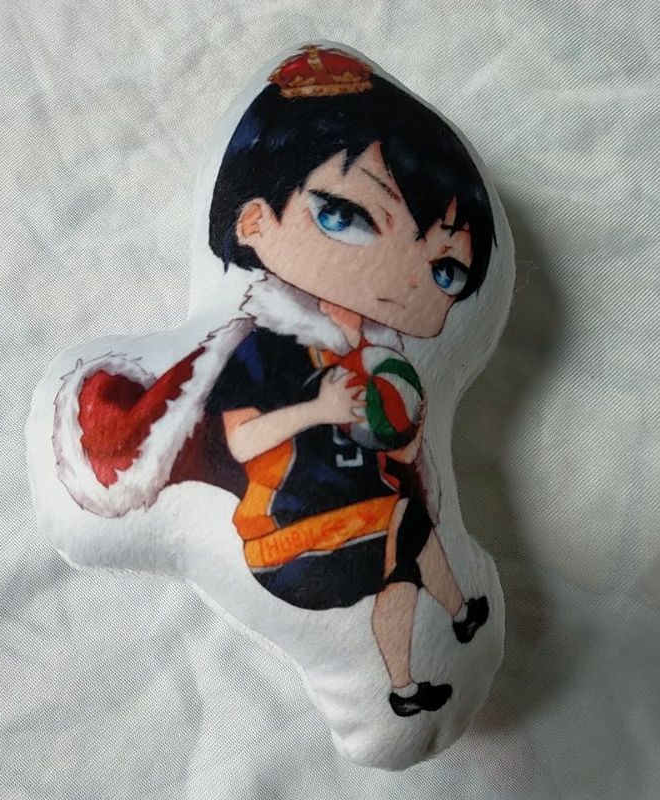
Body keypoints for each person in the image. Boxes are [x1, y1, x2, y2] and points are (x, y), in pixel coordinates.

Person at [203, 46, 496, 716]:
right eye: (344, 215)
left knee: (402, 551)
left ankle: (407, 686)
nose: (404, 280)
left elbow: (384, 446)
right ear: (254, 220)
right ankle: (459, 613)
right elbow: (240, 443)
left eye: (445, 269)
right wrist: (320, 409)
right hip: (289, 537)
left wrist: (404, 434)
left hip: (358, 517)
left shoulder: (376, 357)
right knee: (406, 529)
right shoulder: (265, 346)